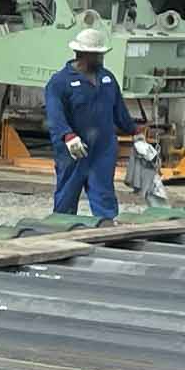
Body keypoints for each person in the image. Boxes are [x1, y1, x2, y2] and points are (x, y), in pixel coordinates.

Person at [40, 24, 139, 226]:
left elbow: (119, 111)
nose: (100, 59)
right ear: (82, 54)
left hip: (103, 149)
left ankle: (106, 230)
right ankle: (61, 228)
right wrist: (67, 136)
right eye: (96, 55)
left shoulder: (107, 79)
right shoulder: (60, 82)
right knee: (67, 193)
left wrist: (136, 132)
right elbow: (55, 115)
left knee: (103, 193)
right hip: (73, 151)